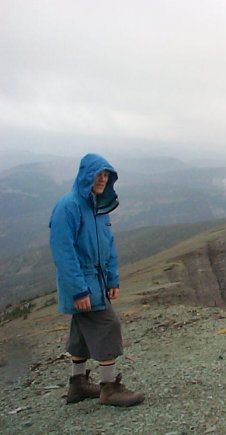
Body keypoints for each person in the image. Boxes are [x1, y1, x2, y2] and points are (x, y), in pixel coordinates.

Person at [49, 153, 144, 407]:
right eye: (98, 174)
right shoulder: (68, 206)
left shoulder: (98, 207)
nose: (102, 179)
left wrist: (112, 280)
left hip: (98, 282)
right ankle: (110, 388)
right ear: (85, 176)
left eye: (106, 175)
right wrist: (79, 291)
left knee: (81, 331)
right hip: (82, 284)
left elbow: (108, 247)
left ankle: (77, 385)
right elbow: (63, 253)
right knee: (108, 325)